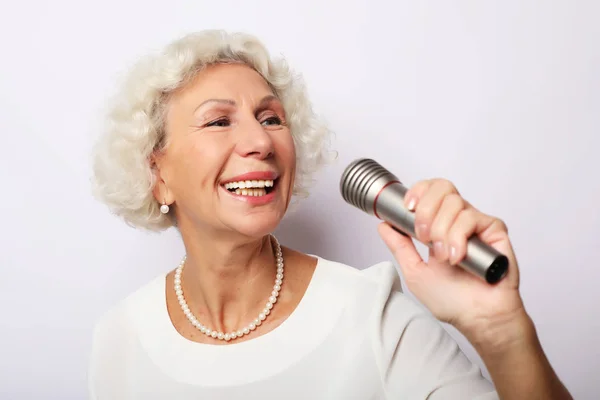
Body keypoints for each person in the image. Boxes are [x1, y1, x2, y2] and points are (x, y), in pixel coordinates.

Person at [88, 30, 572, 399]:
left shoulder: (372, 313)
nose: (261, 142)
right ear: (157, 174)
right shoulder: (120, 337)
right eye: (219, 121)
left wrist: (501, 331)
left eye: (271, 118)